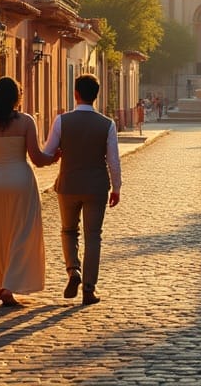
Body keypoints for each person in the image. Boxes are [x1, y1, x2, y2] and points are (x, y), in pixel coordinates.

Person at [0, 77, 57, 307]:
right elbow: (37, 158)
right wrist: (54, 157)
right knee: (23, 233)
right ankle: (9, 285)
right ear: (18, 97)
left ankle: (3, 284)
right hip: (21, 180)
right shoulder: (26, 121)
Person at [42, 74, 121, 306]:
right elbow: (113, 161)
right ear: (96, 96)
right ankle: (89, 288)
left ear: (75, 93)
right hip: (96, 186)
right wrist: (116, 188)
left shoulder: (61, 121)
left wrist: (55, 156)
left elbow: (48, 152)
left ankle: (73, 270)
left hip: (68, 185)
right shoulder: (107, 124)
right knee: (93, 235)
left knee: (68, 231)